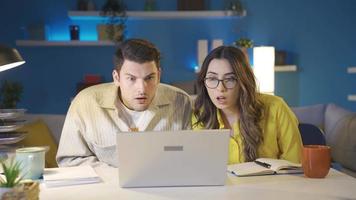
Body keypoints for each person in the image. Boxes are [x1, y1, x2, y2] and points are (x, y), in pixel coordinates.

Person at [56, 39, 192, 167]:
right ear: (116, 78)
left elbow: (191, 157)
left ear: (159, 76)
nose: (142, 88)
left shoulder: (181, 101)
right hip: (104, 191)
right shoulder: (85, 103)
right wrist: (117, 174)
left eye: (149, 78)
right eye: (131, 79)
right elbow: (69, 160)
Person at [192, 46, 302, 164]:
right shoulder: (198, 117)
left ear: (243, 81)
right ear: (204, 82)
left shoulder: (276, 108)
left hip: (270, 182)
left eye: (230, 79)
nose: (220, 88)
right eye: (212, 78)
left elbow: (295, 165)